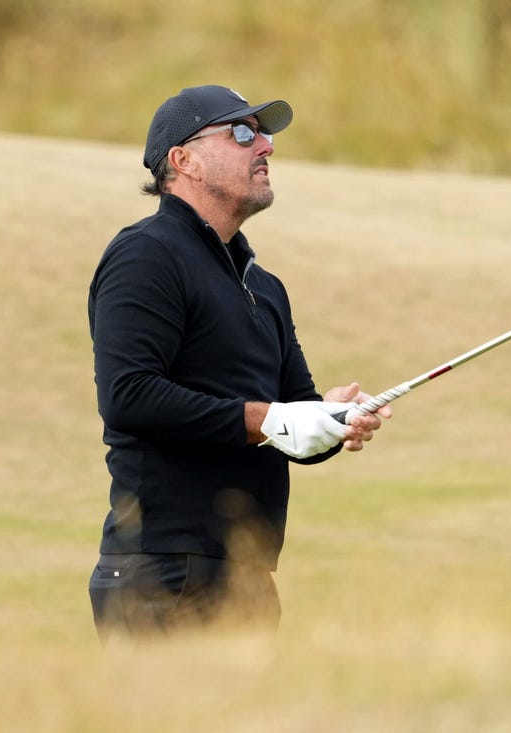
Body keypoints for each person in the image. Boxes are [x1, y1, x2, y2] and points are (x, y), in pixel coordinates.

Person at [87, 85, 391, 642]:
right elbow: (129, 396)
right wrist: (269, 420)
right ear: (183, 160)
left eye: (265, 133)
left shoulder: (263, 286)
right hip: (162, 572)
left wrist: (329, 418)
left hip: (247, 576)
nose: (267, 147)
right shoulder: (146, 254)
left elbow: (290, 419)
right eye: (243, 133)